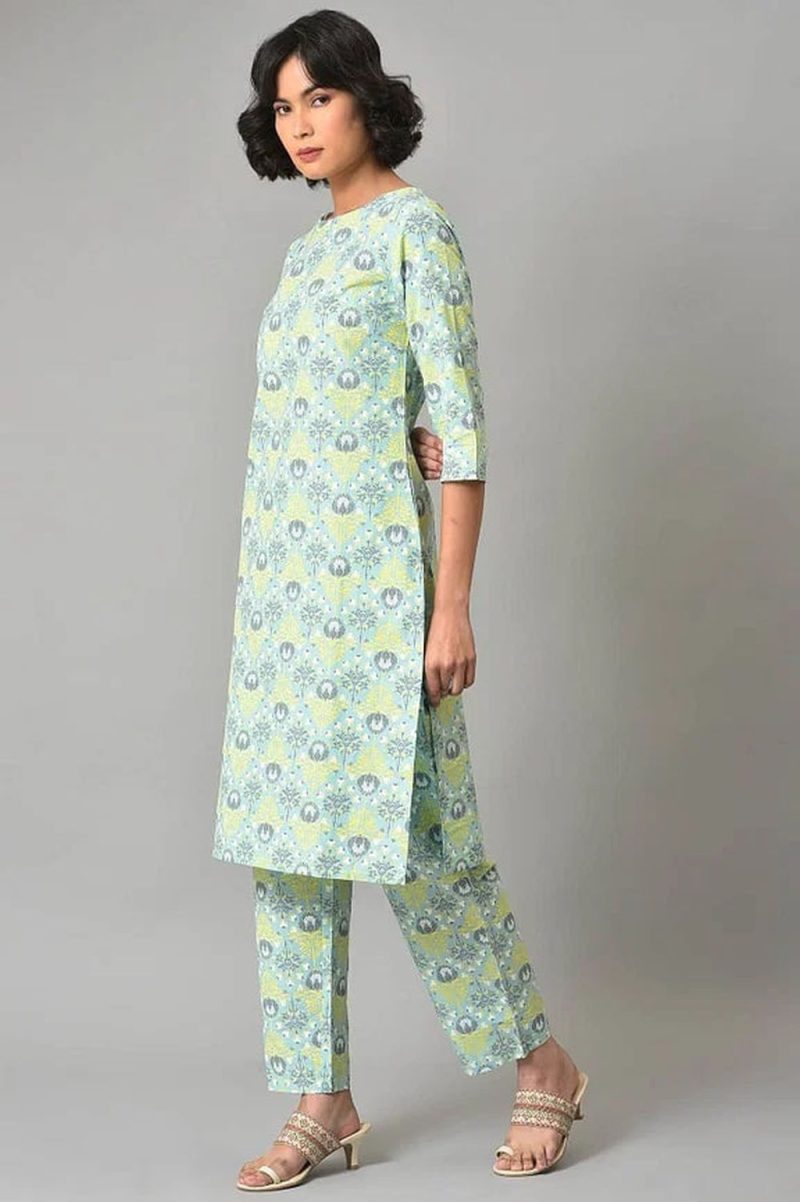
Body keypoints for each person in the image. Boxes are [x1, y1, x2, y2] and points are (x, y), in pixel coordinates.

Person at [211, 9, 588, 1191]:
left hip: (377, 598)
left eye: (317, 96)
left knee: (424, 849)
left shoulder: (416, 231)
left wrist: (450, 604)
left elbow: (457, 429)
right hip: (282, 601)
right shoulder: (306, 254)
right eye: (282, 105)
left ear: (367, 98)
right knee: (288, 856)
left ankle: (543, 1060)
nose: (299, 123)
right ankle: (321, 1098)